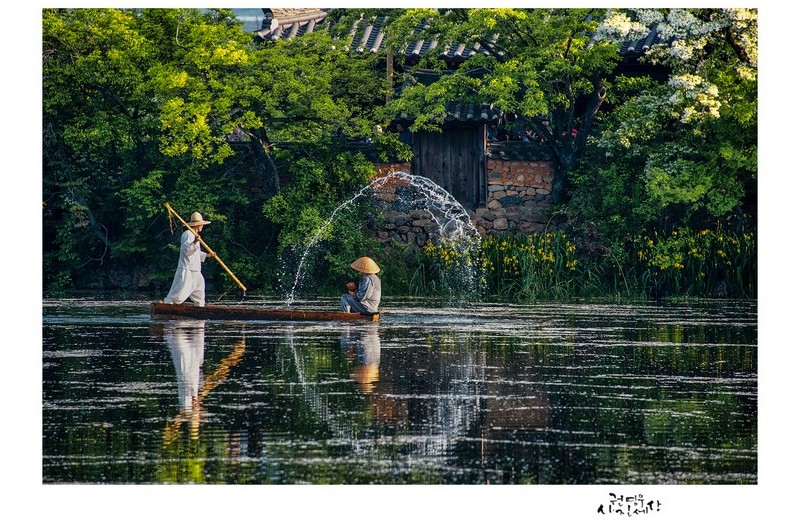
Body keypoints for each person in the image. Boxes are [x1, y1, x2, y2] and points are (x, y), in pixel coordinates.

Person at [164, 212, 215, 307]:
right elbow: (187, 251)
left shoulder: (195, 235)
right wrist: (195, 241)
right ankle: (167, 306)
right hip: (186, 269)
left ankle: (200, 308)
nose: (202, 226)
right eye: (201, 225)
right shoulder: (187, 234)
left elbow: (195, 253)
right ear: (198, 225)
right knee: (179, 293)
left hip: (195, 269)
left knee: (199, 292)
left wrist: (207, 255)